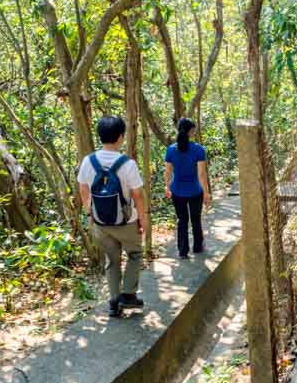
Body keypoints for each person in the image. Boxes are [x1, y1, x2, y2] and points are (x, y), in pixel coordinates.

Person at [77, 116, 148, 318]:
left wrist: (89, 211)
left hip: (100, 222)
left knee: (112, 259)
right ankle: (128, 295)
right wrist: (143, 218)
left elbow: (83, 189)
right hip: (126, 222)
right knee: (134, 254)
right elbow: (137, 195)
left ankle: (113, 302)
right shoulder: (128, 164)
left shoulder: (88, 161)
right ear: (120, 137)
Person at [164, 118, 211, 259]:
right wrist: (206, 194)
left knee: (182, 220)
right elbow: (202, 174)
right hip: (195, 191)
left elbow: (167, 172)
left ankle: (182, 251)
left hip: (177, 191)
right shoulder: (199, 149)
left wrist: (167, 187)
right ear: (191, 131)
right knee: (196, 219)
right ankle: (198, 247)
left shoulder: (171, 150)